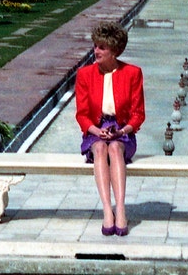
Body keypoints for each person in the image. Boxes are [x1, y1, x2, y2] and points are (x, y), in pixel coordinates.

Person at [75, 21, 145, 235]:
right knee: (99, 148)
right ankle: (107, 210)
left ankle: (120, 209)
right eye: (95, 46)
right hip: (95, 131)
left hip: (122, 131)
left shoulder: (133, 73)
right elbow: (82, 114)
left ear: (114, 51)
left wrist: (121, 132)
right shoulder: (84, 74)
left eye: (102, 47)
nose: (96, 51)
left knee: (114, 148)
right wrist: (97, 131)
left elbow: (138, 115)